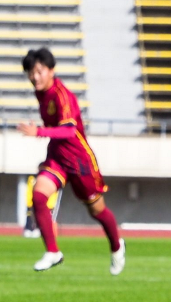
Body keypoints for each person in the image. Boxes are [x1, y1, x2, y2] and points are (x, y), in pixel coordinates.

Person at [16, 47, 125, 275]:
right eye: (31, 72)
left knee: (97, 210)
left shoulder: (62, 95)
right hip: (57, 156)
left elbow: (68, 131)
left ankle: (116, 247)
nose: (34, 76)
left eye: (39, 71)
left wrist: (39, 132)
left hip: (79, 160)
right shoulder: (40, 92)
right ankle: (53, 252)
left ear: (51, 71)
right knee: (38, 195)